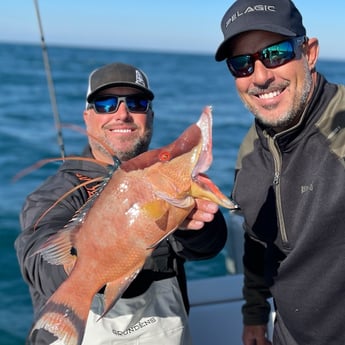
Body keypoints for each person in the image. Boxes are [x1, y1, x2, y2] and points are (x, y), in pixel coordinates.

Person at [15, 62, 228, 344]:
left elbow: (210, 245)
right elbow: (36, 261)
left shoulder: (160, 176)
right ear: (87, 116)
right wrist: (101, 257)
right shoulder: (56, 192)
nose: (123, 114)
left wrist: (192, 228)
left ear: (150, 116)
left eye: (137, 103)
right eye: (106, 104)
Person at [215, 0, 345, 344]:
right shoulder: (249, 155)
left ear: (309, 52)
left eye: (276, 53)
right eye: (241, 63)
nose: (260, 76)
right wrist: (254, 314)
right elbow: (257, 243)